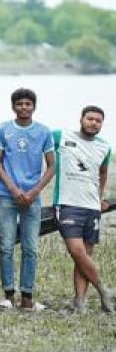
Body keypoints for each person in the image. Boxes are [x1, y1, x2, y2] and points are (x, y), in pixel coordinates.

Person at [0, 88, 55, 311]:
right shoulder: (2, 129)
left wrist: (34, 191)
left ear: (34, 106)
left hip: (32, 199)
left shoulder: (43, 132)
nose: (24, 108)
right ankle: (8, 294)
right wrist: (13, 188)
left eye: (28, 104)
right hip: (6, 197)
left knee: (31, 248)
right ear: (13, 107)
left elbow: (51, 165)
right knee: (6, 245)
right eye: (19, 104)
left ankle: (27, 296)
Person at [52, 105, 112, 312]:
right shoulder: (61, 136)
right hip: (68, 203)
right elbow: (39, 144)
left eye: (98, 120)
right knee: (77, 252)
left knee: (84, 256)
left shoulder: (105, 147)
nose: (93, 123)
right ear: (81, 119)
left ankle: (80, 303)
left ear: (102, 124)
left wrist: (100, 197)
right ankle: (104, 290)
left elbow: (103, 173)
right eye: (90, 119)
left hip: (91, 207)